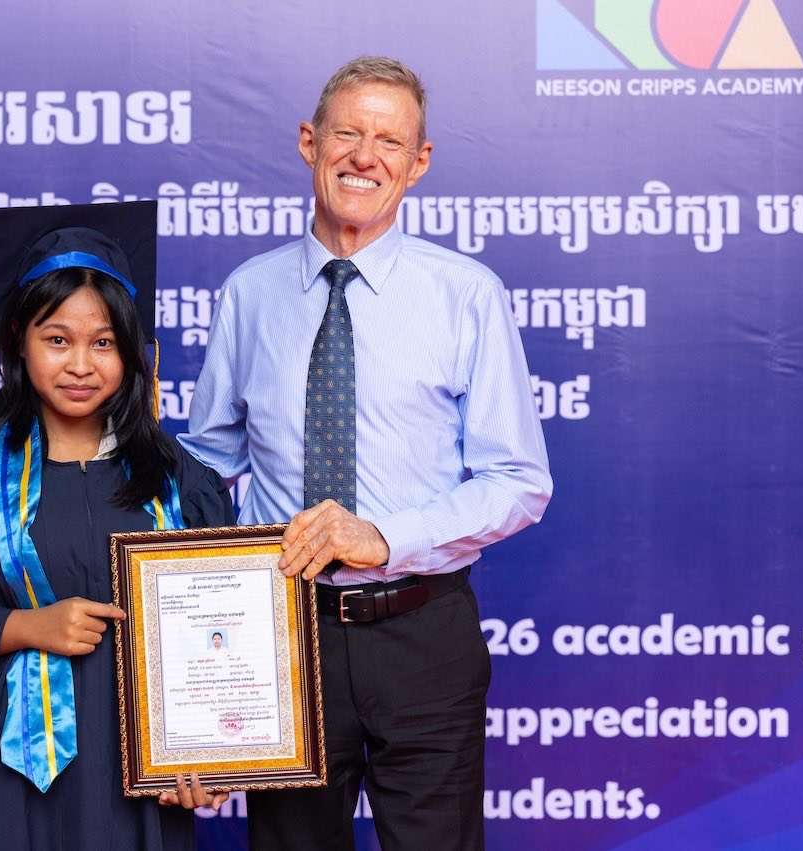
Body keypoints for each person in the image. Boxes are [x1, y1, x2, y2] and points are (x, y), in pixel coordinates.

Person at [179, 57, 552, 850]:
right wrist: (182, 693)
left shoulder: (467, 295)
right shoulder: (250, 292)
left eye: (390, 140)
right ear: (310, 142)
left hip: (424, 635)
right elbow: (205, 470)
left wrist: (381, 537)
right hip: (282, 635)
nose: (364, 155)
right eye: (347, 132)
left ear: (418, 164)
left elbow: (518, 482)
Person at [0, 201, 235, 851]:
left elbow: (220, 645)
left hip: (138, 778)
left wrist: (212, 754)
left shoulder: (179, 481)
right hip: (8, 783)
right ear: (18, 343)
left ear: (134, 351)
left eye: (104, 342)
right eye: (56, 339)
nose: (81, 363)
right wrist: (20, 625)